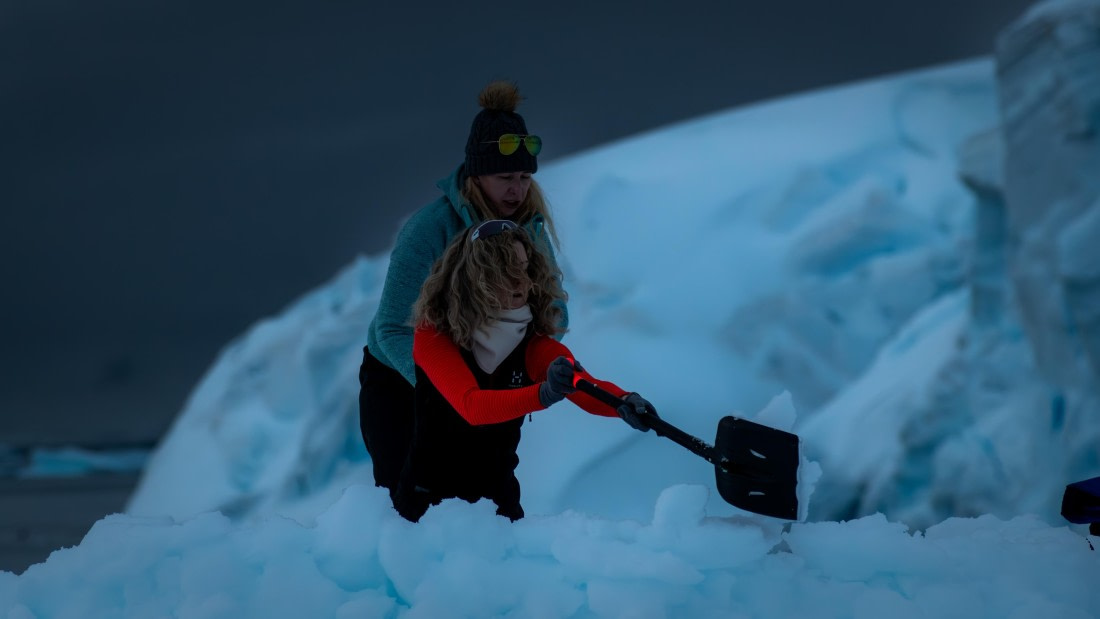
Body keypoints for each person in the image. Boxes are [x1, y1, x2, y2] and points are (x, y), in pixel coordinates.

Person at [359, 80, 567, 502]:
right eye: (505, 176)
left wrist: (522, 368)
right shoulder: (429, 229)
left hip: (485, 385)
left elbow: (554, 311)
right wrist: (444, 390)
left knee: (486, 505)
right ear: (476, 174)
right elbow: (393, 329)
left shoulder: (529, 231)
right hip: (403, 386)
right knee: (408, 507)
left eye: (526, 177)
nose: (518, 189)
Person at [395, 220, 658, 522]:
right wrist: (543, 394)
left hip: (496, 502)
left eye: (524, 267)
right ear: (476, 277)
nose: (520, 280)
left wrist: (623, 401)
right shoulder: (434, 333)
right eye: (506, 270)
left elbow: (582, 385)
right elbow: (472, 406)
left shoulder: (531, 342)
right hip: (427, 504)